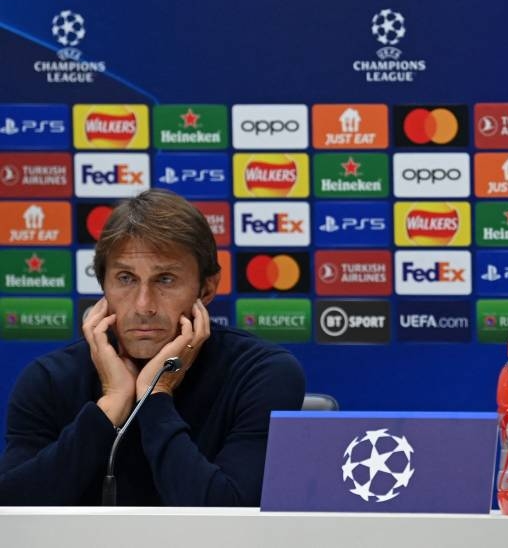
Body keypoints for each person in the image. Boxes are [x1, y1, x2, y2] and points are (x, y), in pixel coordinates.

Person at [0, 188, 305, 505]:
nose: (144, 306)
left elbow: (229, 515)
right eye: (126, 279)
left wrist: (156, 394)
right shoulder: (49, 380)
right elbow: (13, 514)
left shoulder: (261, 373)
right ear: (103, 285)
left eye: (166, 279)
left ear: (208, 288)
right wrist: (111, 405)